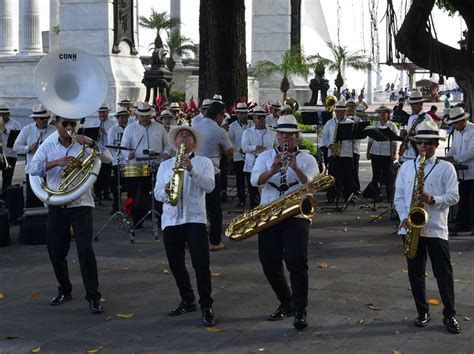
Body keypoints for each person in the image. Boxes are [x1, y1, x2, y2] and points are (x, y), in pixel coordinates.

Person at [29, 114, 110, 314]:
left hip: (81, 204)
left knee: (85, 252)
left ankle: (93, 297)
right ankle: (65, 289)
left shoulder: (83, 144)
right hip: (57, 205)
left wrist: (92, 143)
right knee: (55, 251)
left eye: (72, 123)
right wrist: (57, 162)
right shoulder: (48, 146)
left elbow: (108, 159)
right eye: (64, 123)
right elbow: (32, 168)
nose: (69, 127)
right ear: (56, 124)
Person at [251, 114, 319, 330]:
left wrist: (296, 167)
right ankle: (286, 302)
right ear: (277, 136)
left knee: (296, 261)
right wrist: (273, 169)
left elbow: (313, 185)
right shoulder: (265, 157)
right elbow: (255, 180)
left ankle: (300, 310)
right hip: (269, 212)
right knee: (269, 262)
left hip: (296, 213)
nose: (286, 138)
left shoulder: (308, 158)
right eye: (282, 134)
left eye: (290, 134)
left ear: (297, 136)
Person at [394, 120, 461, 334]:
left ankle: (449, 314)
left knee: (443, 274)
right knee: (415, 274)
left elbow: (454, 196)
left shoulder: (446, 168)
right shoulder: (406, 166)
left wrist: (433, 199)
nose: (423, 146)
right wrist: (404, 216)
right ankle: (422, 311)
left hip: (436, 228)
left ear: (435, 144)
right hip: (411, 228)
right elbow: (400, 196)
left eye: (428, 143)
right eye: (420, 143)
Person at [154, 125, 216, 327]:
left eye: (188, 134)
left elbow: (209, 186)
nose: (183, 136)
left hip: (195, 219)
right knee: (175, 264)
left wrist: (191, 169)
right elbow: (157, 194)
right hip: (171, 220)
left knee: (201, 264)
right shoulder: (166, 166)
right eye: (180, 134)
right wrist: (165, 190)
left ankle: (207, 305)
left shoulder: (204, 163)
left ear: (193, 142)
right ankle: (187, 299)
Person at [120, 102, 171, 229]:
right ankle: (137, 221)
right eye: (142, 116)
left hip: (157, 165)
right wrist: (128, 154)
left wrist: (166, 153)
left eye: (147, 116)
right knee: (137, 195)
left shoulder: (159, 128)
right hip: (138, 166)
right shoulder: (130, 129)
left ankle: (161, 221)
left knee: (158, 194)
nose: (145, 118)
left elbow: (168, 145)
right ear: (137, 115)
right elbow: (123, 147)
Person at [194, 101, 234, 251]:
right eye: (223, 116)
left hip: (194, 170)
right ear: (218, 116)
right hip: (211, 171)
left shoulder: (195, 126)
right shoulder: (218, 131)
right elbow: (230, 152)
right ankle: (215, 241)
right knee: (214, 208)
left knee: (196, 205)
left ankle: (194, 239)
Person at [13, 104, 56, 207]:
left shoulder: (54, 130)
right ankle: (33, 222)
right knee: (32, 199)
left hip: (50, 171)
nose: (45, 120)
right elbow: (16, 147)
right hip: (33, 172)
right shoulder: (27, 130)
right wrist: (28, 148)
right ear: (35, 119)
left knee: (50, 198)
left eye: (47, 117)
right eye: (42, 118)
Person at [442, 107, 474, 236]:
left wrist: (454, 158)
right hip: (461, 173)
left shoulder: (472, 130)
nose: (454, 126)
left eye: (456, 123)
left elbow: (472, 151)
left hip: (472, 170)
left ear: (463, 120)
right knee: (463, 198)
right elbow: (454, 148)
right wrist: (445, 159)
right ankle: (463, 223)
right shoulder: (456, 132)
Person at [242, 106, 277, 209]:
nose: (262, 119)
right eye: (259, 117)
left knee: (268, 192)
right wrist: (254, 148)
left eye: (263, 117)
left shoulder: (272, 133)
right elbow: (244, 148)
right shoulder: (247, 132)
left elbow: (276, 148)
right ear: (253, 119)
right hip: (251, 165)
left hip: (268, 167)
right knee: (253, 194)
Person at [321, 100, 354, 202]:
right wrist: (328, 145)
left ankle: (347, 196)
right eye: (338, 111)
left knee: (347, 176)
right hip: (334, 153)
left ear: (345, 112)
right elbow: (324, 137)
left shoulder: (351, 123)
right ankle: (332, 196)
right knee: (333, 176)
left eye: (342, 111)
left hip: (347, 153)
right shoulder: (330, 123)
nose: (340, 113)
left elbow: (355, 138)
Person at [366, 105, 399, 201]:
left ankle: (389, 196)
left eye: (384, 112)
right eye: (380, 113)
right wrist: (368, 151)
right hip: (375, 153)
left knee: (388, 175)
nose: (382, 114)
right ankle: (377, 195)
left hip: (386, 154)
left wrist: (394, 153)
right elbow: (370, 140)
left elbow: (394, 141)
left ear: (388, 114)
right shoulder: (375, 125)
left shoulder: (392, 125)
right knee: (376, 176)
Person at [86, 105, 117, 202]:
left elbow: (114, 135)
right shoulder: (94, 123)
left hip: (107, 151)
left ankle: (106, 193)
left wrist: (105, 132)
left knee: (107, 174)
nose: (102, 114)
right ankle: (98, 194)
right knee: (97, 173)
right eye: (100, 112)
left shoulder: (112, 123)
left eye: (104, 112)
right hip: (97, 150)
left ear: (107, 113)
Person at [228, 102, 253, 208]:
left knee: (251, 179)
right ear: (237, 114)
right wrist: (238, 149)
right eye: (241, 113)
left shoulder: (252, 124)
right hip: (238, 156)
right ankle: (241, 199)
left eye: (245, 113)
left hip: (250, 156)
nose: (244, 115)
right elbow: (229, 141)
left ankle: (253, 199)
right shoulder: (232, 127)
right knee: (240, 179)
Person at [399, 91, 434, 163]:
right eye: (411, 105)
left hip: (419, 153)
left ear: (421, 104)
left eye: (415, 104)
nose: (412, 107)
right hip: (408, 153)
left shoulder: (427, 118)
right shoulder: (411, 117)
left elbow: (431, 137)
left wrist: (416, 134)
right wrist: (405, 133)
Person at [107, 109, 130, 214]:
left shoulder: (130, 129)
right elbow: (111, 146)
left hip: (129, 161)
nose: (124, 119)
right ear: (117, 119)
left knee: (130, 185)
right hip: (118, 161)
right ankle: (116, 207)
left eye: (126, 117)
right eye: (122, 117)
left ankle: (130, 208)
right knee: (117, 186)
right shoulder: (113, 130)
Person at [0, 104, 21, 200]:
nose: (2, 117)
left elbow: (15, 138)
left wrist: (4, 130)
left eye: (4, 115)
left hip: (10, 155)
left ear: (8, 114)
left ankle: (5, 198)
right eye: (0, 115)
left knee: (7, 177)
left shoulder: (15, 124)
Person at [346, 99, 362, 192]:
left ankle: (356, 189)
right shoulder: (343, 119)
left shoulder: (358, 120)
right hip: (344, 150)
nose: (351, 109)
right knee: (346, 171)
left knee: (355, 170)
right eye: (349, 107)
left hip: (355, 149)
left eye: (353, 107)